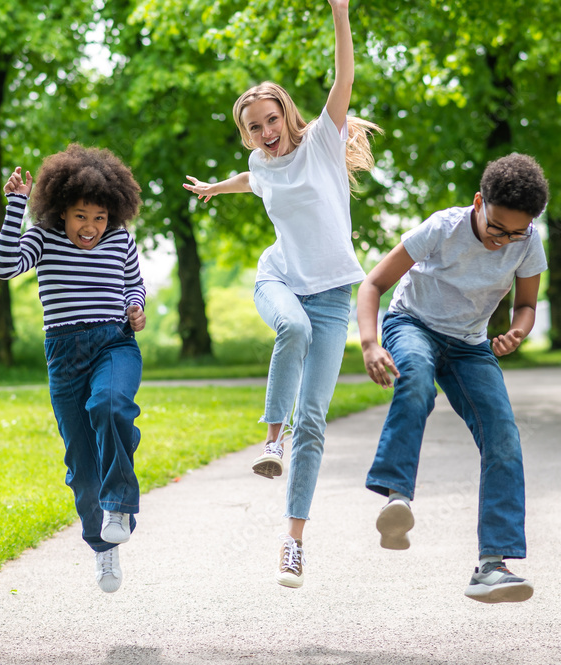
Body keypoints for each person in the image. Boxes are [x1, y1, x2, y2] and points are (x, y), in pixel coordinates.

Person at [182, 0, 379, 588]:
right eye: (253, 127)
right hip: (280, 279)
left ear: (286, 115)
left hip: (332, 295)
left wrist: (340, 13)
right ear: (245, 133)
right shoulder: (258, 163)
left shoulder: (322, 141)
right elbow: (254, 178)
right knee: (290, 329)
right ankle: (272, 438)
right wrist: (219, 186)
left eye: (271, 120)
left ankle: (293, 542)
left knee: (315, 422)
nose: (265, 133)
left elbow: (344, 76)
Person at [357, 153, 549, 604]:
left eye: (516, 232)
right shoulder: (442, 228)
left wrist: (518, 331)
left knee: (503, 435)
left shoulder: (527, 242)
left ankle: (492, 565)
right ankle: (396, 497)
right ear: (479, 203)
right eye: (496, 228)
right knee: (417, 380)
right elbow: (372, 285)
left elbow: (526, 305)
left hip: (470, 345)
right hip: (413, 324)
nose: (504, 241)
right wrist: (369, 343)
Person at [0, 144, 146, 594]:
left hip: (114, 343)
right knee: (81, 464)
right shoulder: (43, 237)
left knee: (111, 403)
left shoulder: (119, 238)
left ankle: (119, 502)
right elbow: (4, 267)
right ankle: (104, 549)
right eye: (81, 215)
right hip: (63, 354)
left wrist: (135, 308)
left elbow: (133, 284)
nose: (91, 227)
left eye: (99, 217)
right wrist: (15, 207)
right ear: (62, 211)